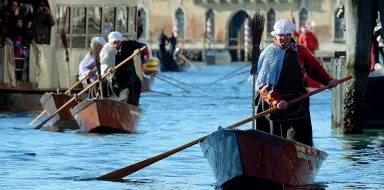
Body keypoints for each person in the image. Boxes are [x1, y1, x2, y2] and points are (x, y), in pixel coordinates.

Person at [252, 19, 339, 147]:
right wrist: (276, 101)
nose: (283, 38)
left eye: (286, 35)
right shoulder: (268, 54)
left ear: (291, 35)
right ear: (275, 36)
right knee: (270, 143)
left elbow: (315, 69)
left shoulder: (301, 51)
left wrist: (328, 80)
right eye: (280, 35)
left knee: (300, 141)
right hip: (272, 104)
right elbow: (263, 84)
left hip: (297, 102)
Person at [100, 31, 145, 106]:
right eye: (113, 43)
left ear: (121, 41)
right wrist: (108, 69)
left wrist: (138, 50)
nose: (115, 45)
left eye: (117, 42)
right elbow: (103, 63)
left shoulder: (128, 44)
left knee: (127, 98)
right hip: (114, 79)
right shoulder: (106, 49)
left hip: (128, 78)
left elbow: (142, 45)